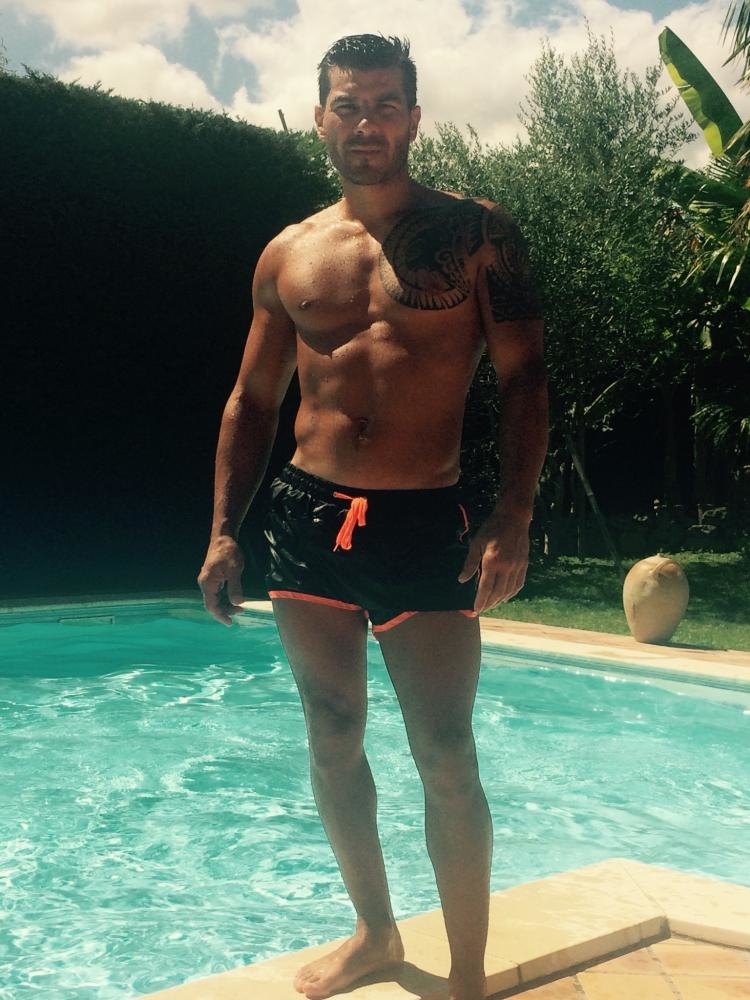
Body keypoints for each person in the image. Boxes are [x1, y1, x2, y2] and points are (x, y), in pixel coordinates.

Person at [198, 33, 547, 1000]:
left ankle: (467, 978)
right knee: (331, 729)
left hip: (426, 522)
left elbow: (525, 376)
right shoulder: (289, 253)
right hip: (307, 520)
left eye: (386, 105)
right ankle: (375, 933)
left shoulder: (479, 233)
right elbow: (253, 400)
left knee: (446, 752)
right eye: (349, 106)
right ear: (321, 118)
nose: (367, 124)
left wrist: (514, 511)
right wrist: (225, 529)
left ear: (415, 119)